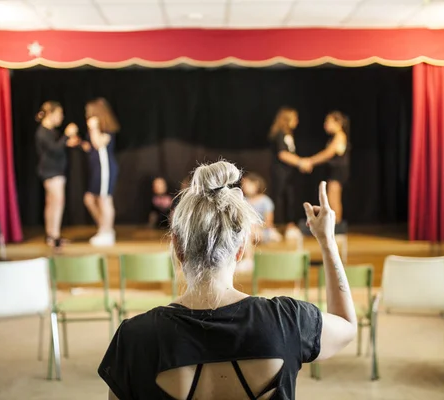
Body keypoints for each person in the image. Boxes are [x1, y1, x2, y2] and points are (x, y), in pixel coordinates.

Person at [98, 161, 357, 400]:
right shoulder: (286, 320)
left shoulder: (134, 339)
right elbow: (346, 325)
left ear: (177, 247)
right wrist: (327, 242)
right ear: (240, 248)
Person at [34, 101, 79, 248]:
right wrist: (66, 135)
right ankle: (53, 236)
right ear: (50, 114)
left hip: (55, 171)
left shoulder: (51, 131)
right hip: (51, 172)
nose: (61, 117)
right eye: (59, 114)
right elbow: (54, 149)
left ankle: (52, 235)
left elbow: (57, 146)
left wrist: (67, 141)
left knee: (52, 203)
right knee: (56, 203)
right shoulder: (43, 132)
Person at [81, 98, 120, 246]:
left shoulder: (105, 128)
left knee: (104, 199)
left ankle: (107, 232)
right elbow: (92, 146)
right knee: (89, 199)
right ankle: (104, 228)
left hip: (106, 168)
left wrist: (93, 128)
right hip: (97, 168)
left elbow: (98, 144)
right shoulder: (96, 129)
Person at [269, 107, 311, 241]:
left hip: (289, 174)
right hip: (280, 173)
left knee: (289, 199)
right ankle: (280, 226)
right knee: (280, 199)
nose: (297, 121)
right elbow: (282, 154)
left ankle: (289, 225)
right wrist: (300, 162)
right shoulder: (280, 134)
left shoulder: (288, 134)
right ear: (286, 119)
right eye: (295, 118)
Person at [302, 111, 350, 224]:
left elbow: (328, 153)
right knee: (330, 197)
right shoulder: (334, 137)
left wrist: (310, 161)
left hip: (338, 171)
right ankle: (335, 225)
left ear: (338, 123)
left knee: (334, 198)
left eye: (328, 121)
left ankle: (337, 226)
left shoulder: (340, 136)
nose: (325, 124)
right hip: (334, 171)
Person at [241, 172, 282, 243]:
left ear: (256, 184)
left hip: (262, 230)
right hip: (248, 230)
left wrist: (256, 227)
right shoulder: (243, 201)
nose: (244, 186)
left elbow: (268, 223)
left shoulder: (265, 201)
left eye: (247, 184)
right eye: (243, 184)